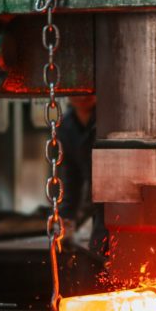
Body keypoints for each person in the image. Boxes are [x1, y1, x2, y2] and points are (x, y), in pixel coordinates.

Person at [58, 94, 107, 257]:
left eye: (88, 90)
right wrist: (67, 217)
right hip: (97, 205)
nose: (82, 96)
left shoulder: (110, 120)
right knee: (98, 252)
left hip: (116, 199)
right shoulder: (66, 126)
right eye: (76, 91)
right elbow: (72, 176)